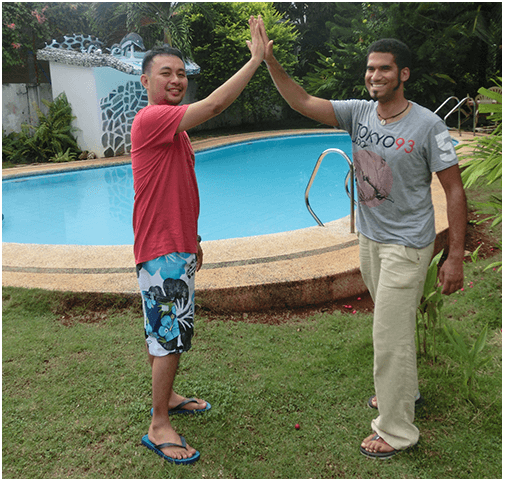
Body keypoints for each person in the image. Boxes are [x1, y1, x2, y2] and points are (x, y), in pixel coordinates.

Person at [257, 19, 466, 459]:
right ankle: (403, 395)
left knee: (387, 335)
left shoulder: (428, 126)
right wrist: (269, 60)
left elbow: (454, 190)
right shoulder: (358, 112)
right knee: (395, 329)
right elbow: (301, 99)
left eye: (384, 69)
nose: (375, 76)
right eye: (371, 69)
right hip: (370, 238)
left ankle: (396, 430)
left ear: (403, 74)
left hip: (407, 244)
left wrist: (455, 256)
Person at [131, 16, 265, 464]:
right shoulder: (152, 119)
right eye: (165, 73)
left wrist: (195, 239)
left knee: (164, 331)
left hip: (176, 245)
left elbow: (178, 190)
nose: (175, 79)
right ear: (146, 79)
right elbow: (212, 106)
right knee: (169, 335)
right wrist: (255, 60)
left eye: (181, 73)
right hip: (161, 250)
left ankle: (167, 401)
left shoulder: (176, 132)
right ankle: (158, 425)